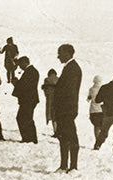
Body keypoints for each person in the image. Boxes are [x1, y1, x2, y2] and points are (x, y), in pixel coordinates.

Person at [54, 44, 82, 172]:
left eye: (60, 53)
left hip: (67, 109)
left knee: (70, 137)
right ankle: (64, 165)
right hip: (64, 109)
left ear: (67, 53)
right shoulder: (69, 68)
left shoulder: (73, 69)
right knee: (64, 137)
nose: (58, 56)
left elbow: (68, 91)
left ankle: (73, 167)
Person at [12, 56, 40, 143]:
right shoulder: (32, 71)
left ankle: (28, 138)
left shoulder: (30, 72)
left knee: (23, 118)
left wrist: (16, 83)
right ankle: (30, 138)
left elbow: (24, 86)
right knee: (26, 118)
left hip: (28, 99)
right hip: (30, 99)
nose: (20, 67)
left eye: (20, 64)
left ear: (25, 62)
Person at [86, 75, 105, 148]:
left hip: (93, 111)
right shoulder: (103, 89)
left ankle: (97, 142)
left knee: (96, 126)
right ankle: (99, 141)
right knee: (102, 127)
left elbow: (88, 99)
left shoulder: (91, 89)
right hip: (102, 110)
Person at [42, 69, 58, 136]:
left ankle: (55, 131)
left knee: (52, 116)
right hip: (58, 100)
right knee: (57, 116)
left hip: (50, 100)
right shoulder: (59, 79)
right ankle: (58, 131)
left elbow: (46, 91)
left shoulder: (47, 80)